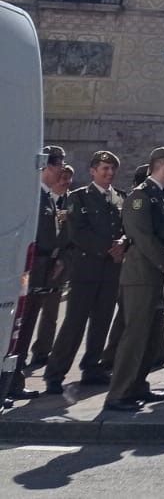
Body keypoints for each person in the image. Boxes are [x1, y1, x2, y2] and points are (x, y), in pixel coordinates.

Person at [105, 147, 164, 412]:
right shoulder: (141, 196)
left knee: (150, 336)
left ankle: (138, 386)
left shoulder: (161, 196)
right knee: (135, 335)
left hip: (156, 276)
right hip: (141, 275)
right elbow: (142, 237)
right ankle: (118, 393)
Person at [43, 150, 124, 393]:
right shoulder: (78, 198)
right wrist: (106, 248)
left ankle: (92, 367)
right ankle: (55, 373)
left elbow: (125, 228)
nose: (109, 173)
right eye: (104, 169)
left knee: (101, 322)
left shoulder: (119, 197)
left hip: (110, 271)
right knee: (74, 323)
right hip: (86, 269)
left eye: (112, 170)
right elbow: (76, 232)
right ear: (93, 171)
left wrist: (123, 243)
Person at [11, 146, 68, 398]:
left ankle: (14, 380)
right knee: (20, 328)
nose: (62, 172)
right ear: (46, 167)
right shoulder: (35, 196)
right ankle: (11, 381)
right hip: (31, 271)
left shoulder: (48, 198)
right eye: (58, 166)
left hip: (42, 270)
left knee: (27, 325)